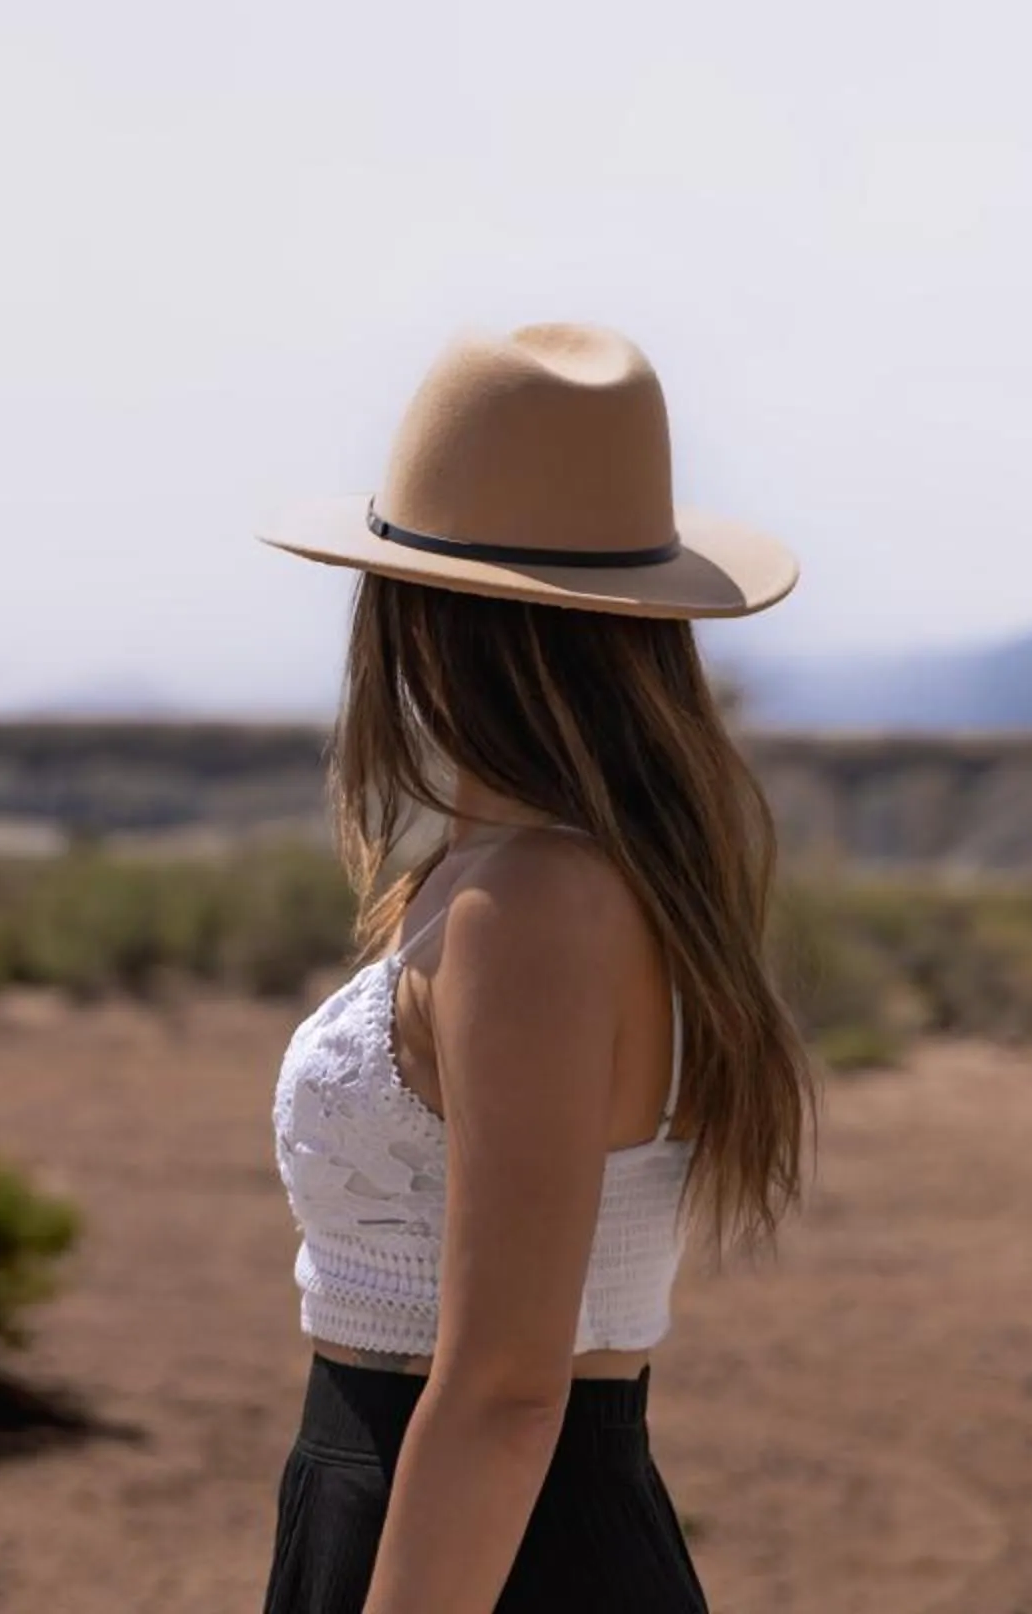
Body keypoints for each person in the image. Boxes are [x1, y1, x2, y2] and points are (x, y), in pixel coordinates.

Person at [254, 322, 816, 1612]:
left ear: (415, 612)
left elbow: (509, 1388)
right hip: (458, 1518)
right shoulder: (522, 876)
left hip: (485, 1544)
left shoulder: (535, 904)